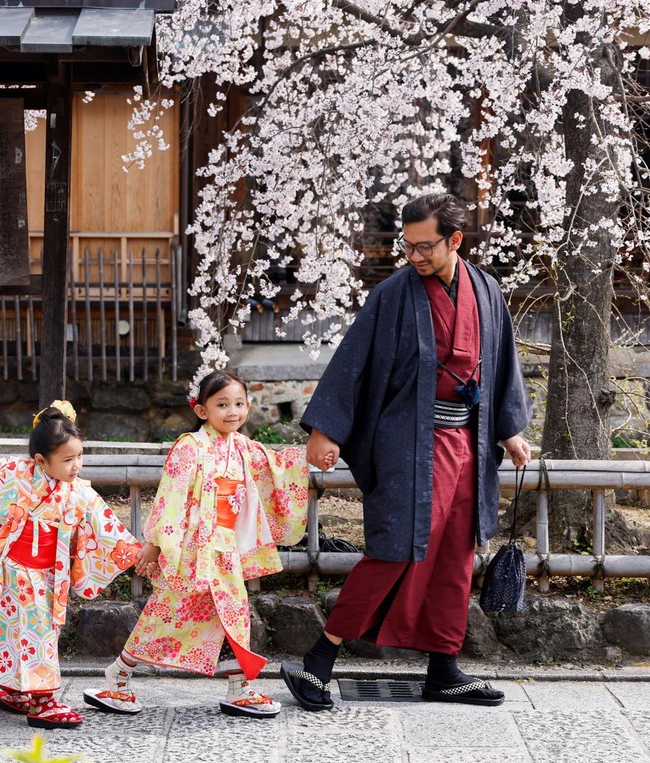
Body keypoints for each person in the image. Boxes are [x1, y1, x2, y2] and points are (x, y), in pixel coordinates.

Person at [281, 192, 532, 711]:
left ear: (455, 240)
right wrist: (326, 429)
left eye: (425, 247)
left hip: (470, 441)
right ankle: (318, 661)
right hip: (409, 442)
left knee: (456, 554)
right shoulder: (393, 295)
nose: (413, 256)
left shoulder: (487, 290)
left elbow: (502, 363)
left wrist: (510, 429)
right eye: (407, 245)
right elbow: (355, 361)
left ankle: (444, 668)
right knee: (395, 549)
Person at [84, 369, 311, 719]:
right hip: (191, 551)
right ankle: (119, 676)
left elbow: (277, 466)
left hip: (226, 548)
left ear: (249, 407)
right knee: (164, 614)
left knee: (235, 616)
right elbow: (171, 497)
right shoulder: (190, 447)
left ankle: (240, 688)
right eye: (222, 404)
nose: (232, 411)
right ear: (202, 410)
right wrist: (157, 544)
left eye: (239, 403)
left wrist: (310, 456)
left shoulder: (244, 448)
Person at [0, 401, 141, 729]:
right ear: (39, 460)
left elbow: (109, 530)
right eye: (67, 460)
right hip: (12, 570)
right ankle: (43, 703)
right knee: (33, 634)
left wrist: (140, 555)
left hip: (48, 574)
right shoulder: (11, 475)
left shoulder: (78, 492)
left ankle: (13, 690)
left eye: (79, 456)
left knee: (32, 632)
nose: (76, 465)